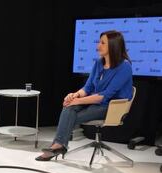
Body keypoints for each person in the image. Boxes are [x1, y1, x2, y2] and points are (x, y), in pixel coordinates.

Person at [36, 30, 133, 161]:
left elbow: (105, 96)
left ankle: (58, 146)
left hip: (113, 106)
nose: (98, 46)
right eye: (100, 42)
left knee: (72, 116)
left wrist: (77, 101)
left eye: (102, 43)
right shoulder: (99, 63)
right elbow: (88, 88)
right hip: (96, 101)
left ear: (113, 45)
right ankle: (58, 145)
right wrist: (75, 95)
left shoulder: (125, 67)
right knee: (69, 108)